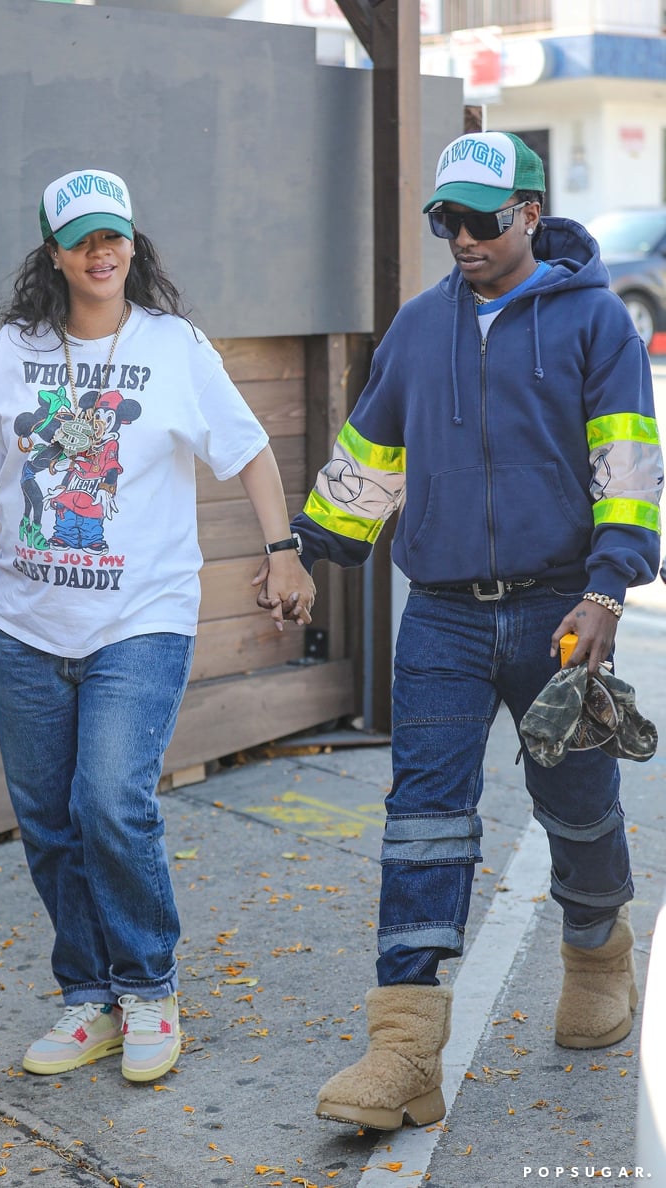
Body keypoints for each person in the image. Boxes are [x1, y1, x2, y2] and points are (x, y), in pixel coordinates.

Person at [0, 168, 315, 1084]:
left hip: (141, 619)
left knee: (110, 802)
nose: (101, 252)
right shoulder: (15, 350)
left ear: (133, 242)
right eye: (81, 240)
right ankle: (91, 999)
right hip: (25, 624)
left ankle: (149, 989)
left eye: (114, 235)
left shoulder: (175, 347)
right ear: (53, 254)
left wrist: (283, 550)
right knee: (47, 821)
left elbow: (250, 449)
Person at [265, 131, 662, 1130]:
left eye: (481, 219)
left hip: (559, 609)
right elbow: (372, 451)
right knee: (422, 819)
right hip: (438, 614)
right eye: (445, 219)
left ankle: (596, 948)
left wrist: (609, 595)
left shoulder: (597, 325)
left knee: (576, 803)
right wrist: (311, 548)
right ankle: (404, 1051)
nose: (461, 238)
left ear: (530, 213)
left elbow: (630, 469)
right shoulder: (417, 327)